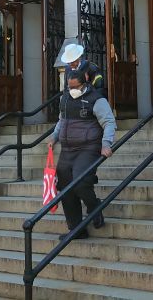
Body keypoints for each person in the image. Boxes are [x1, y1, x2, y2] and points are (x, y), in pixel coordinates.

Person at [48, 70, 117, 239]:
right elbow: (61, 120)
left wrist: (106, 144)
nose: (72, 90)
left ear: (85, 82)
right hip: (67, 149)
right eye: (69, 87)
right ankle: (76, 229)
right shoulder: (65, 99)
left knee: (80, 181)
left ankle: (95, 208)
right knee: (65, 188)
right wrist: (54, 137)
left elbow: (109, 122)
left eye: (75, 87)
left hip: (88, 148)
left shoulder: (96, 99)